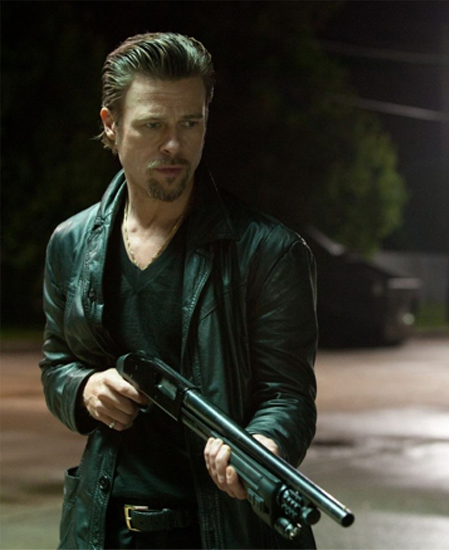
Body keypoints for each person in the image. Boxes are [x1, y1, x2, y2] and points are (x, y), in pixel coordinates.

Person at [40, 32, 318, 550]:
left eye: (190, 123)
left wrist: (264, 444)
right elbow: (57, 364)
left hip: (227, 531)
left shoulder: (269, 251)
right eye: (153, 125)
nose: (174, 145)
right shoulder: (71, 244)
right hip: (102, 529)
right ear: (111, 124)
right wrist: (85, 389)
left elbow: (288, 394)